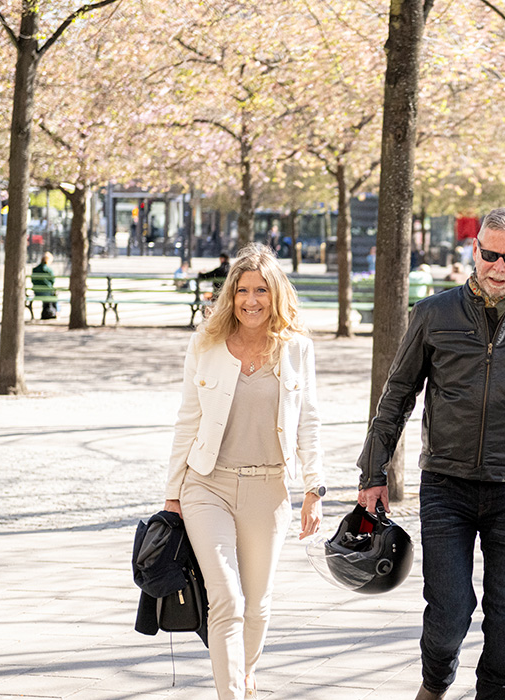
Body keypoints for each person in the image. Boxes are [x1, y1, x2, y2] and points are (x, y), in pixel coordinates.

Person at [356, 207, 505, 700]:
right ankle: (435, 684)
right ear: (475, 249)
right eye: (490, 254)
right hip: (446, 486)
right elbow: (396, 397)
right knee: (449, 608)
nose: (498, 267)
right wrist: (373, 473)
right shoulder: (433, 314)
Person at [164, 243, 325, 700]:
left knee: (256, 606)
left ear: (276, 294)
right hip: (207, 485)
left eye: (261, 290)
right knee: (227, 600)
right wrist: (172, 493)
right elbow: (187, 419)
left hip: (268, 488)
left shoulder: (297, 349)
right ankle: (231, 693)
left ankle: (245, 674)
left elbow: (309, 421)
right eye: (241, 290)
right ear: (230, 295)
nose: (250, 300)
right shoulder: (206, 344)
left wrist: (314, 489)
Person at [31, 251, 58, 319]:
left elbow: (33, 280)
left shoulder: (35, 269)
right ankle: (56, 312)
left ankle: (47, 312)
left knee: (50, 295)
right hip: (47, 292)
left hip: (37, 292)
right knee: (54, 295)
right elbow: (52, 281)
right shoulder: (49, 270)